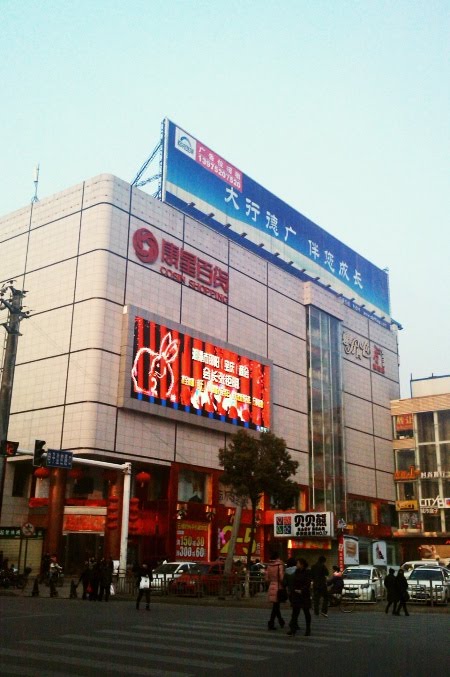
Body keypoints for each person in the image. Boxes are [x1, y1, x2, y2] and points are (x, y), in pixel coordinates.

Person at [285, 558, 312, 636]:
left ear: (302, 564)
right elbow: (293, 582)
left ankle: (308, 629)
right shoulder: (296, 571)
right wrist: (293, 589)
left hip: (304, 595)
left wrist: (302, 590)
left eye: (298, 563)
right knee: (295, 613)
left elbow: (308, 583)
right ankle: (293, 629)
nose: (296, 565)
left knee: (306, 612)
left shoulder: (307, 572)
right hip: (296, 594)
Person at [265, 551, 286, 631]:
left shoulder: (269, 566)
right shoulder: (280, 565)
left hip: (271, 586)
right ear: (278, 557)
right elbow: (281, 577)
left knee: (276, 606)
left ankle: (279, 621)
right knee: (276, 606)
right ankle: (272, 622)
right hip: (278, 586)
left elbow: (266, 578)